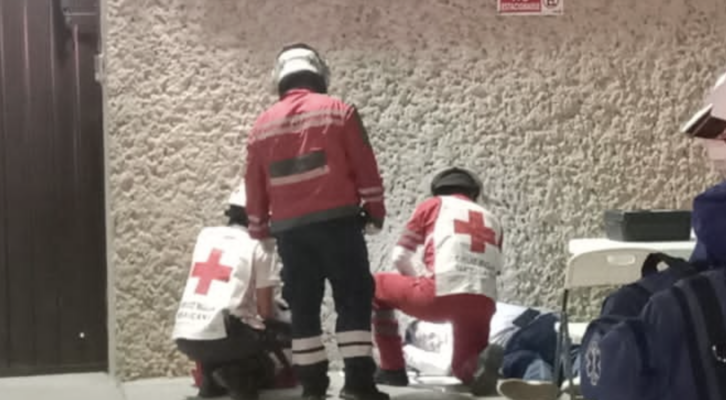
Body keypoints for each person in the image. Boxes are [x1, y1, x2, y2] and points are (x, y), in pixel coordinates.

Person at [244, 43, 388, 400]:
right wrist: (375, 211)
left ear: (280, 78)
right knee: (353, 298)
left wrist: (259, 228)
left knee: (303, 306)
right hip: (339, 226)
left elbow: (254, 183)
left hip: (291, 234)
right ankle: (357, 384)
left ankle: (312, 387)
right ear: (319, 74)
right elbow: (365, 166)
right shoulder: (339, 111)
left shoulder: (261, 127)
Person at [371, 167, 504, 396]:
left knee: (374, 286)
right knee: (461, 366)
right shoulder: (492, 219)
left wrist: (415, 284)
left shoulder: (432, 205)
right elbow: (495, 269)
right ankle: (477, 366)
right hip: (483, 303)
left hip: (441, 293)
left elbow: (400, 256)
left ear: (437, 190)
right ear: (474, 192)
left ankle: (392, 368)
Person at [172, 183, 290, 400]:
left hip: (185, 337)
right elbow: (266, 312)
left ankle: (211, 377)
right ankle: (236, 375)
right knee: (274, 336)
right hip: (226, 337)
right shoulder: (261, 246)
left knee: (230, 331)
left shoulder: (206, 235)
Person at [402, 302, 581, 400]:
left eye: (430, 335)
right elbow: (444, 365)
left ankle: (542, 389)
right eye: (429, 346)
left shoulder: (458, 322)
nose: (434, 342)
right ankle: (583, 375)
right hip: (542, 327)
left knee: (519, 362)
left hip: (525, 334)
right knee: (566, 359)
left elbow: (445, 366)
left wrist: (403, 350)